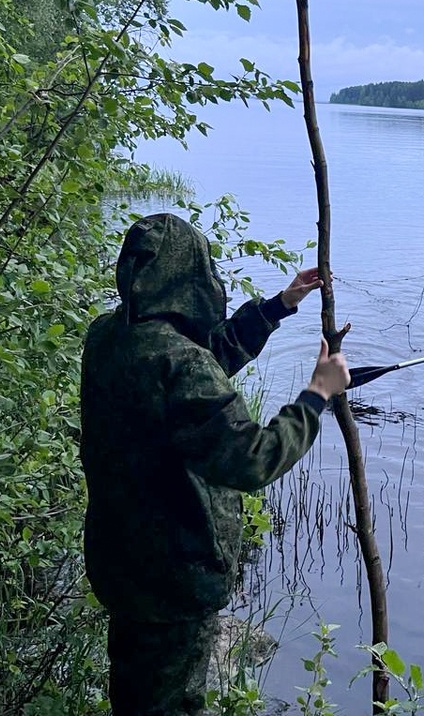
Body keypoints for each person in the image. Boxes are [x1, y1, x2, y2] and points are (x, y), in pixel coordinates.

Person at [79, 213, 350, 715]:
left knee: (135, 696)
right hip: (175, 577)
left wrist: (279, 305)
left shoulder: (108, 338)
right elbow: (254, 460)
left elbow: (198, 360)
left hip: (123, 565)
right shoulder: (180, 364)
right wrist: (316, 396)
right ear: (191, 275)